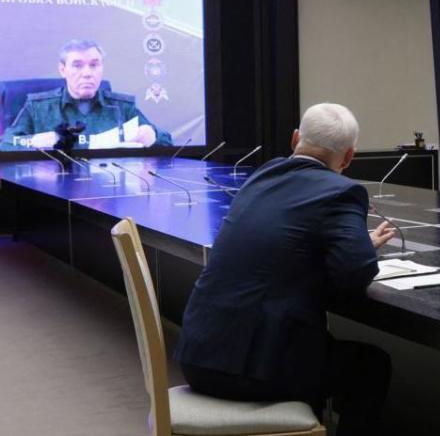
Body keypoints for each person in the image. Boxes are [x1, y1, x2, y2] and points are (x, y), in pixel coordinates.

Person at [175, 103, 395, 436]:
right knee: (371, 366)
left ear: (295, 140)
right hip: (253, 369)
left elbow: (282, 245)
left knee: (315, 348)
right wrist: (359, 249)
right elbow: (355, 273)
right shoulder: (343, 191)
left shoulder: (261, 176)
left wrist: (348, 247)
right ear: (348, 157)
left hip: (197, 356)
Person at [0, 39, 172, 149]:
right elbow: (6, 145)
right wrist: (31, 142)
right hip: (55, 190)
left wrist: (153, 135)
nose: (87, 73)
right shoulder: (38, 107)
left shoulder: (122, 107)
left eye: (94, 65)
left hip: (109, 191)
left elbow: (167, 143)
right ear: (63, 69)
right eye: (77, 65)